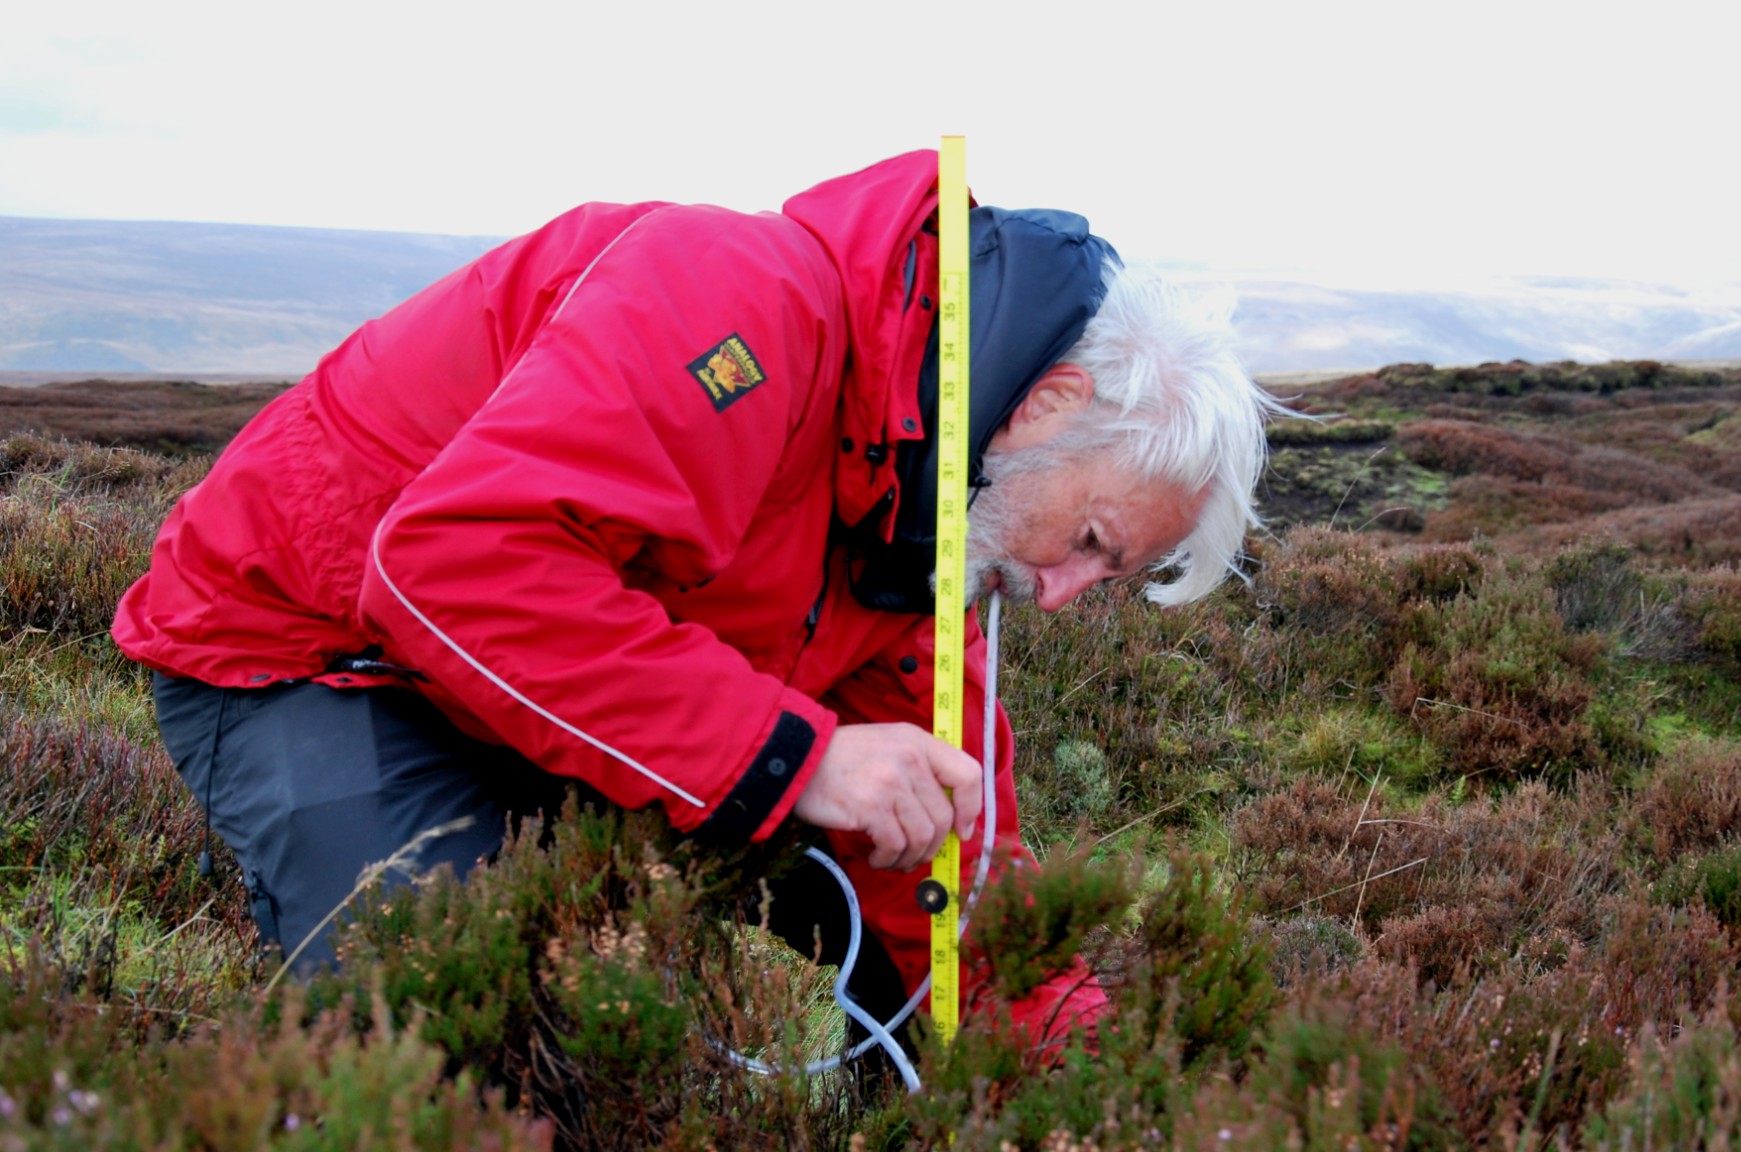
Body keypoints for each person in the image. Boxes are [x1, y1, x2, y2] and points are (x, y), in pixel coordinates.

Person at [112, 150, 1271, 1053]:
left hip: (519, 689)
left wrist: (1087, 1074)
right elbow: (452, 569)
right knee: (457, 1027)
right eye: (1092, 542)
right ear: (1051, 403)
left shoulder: (936, 513)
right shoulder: (743, 300)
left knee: (797, 928)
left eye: (1104, 579)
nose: (1064, 595)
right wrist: (799, 758)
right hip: (310, 652)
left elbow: (948, 866)